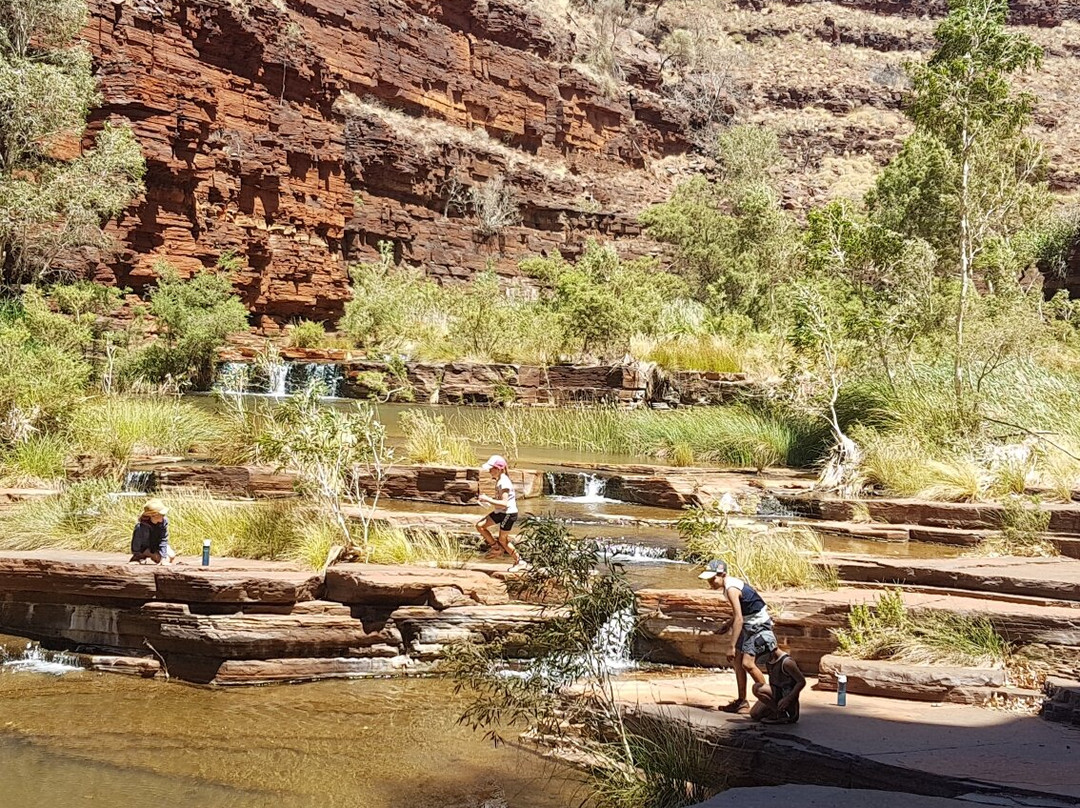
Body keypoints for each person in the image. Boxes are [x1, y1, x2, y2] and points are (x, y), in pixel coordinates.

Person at [699, 559, 772, 714]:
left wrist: (731, 646)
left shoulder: (731, 589)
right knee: (738, 662)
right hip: (749, 622)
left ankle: (769, 700)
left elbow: (739, 618)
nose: (710, 582)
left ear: (723, 574)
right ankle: (742, 702)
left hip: (757, 625)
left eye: (713, 579)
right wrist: (728, 623)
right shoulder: (728, 586)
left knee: (747, 663)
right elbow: (742, 613)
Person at [476, 454, 529, 572]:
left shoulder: (504, 482)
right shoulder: (500, 480)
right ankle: (495, 548)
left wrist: (487, 499)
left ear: (498, 469)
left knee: (503, 540)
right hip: (500, 512)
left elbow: (505, 503)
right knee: (480, 526)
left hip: (508, 514)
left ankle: (520, 561)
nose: (489, 471)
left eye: (491, 469)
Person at [749, 630, 805, 724]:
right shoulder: (770, 660)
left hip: (787, 698)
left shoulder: (787, 662)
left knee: (757, 688)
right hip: (777, 694)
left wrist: (788, 699)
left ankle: (781, 714)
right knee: (755, 714)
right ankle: (775, 710)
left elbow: (801, 681)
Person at [129, 498, 175, 564]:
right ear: (153, 516)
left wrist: (163, 557)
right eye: (161, 515)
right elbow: (136, 542)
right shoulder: (141, 527)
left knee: (171, 556)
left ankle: (157, 556)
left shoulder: (164, 522)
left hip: (157, 545)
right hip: (145, 548)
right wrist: (137, 554)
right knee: (160, 558)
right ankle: (142, 556)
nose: (163, 516)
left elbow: (163, 539)